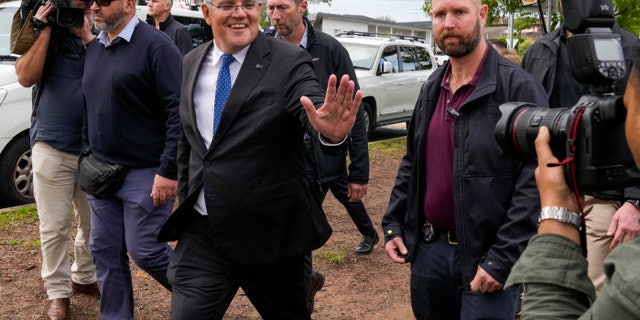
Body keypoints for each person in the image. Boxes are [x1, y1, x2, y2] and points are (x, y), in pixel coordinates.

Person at [156, 0, 362, 318]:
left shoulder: (288, 60)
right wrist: (187, 198)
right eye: (228, 5)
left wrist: (329, 130)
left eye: (249, 4)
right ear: (207, 13)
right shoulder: (191, 61)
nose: (241, 13)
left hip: (271, 238)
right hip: (204, 236)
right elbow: (189, 143)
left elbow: (309, 99)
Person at [381, 0, 548, 318]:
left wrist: (503, 258)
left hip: (487, 260)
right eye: (439, 14)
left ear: (482, 14)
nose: (448, 24)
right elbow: (413, 162)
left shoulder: (519, 88)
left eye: (459, 12)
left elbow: (537, 178)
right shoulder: (431, 87)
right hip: (429, 256)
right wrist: (394, 222)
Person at [505, 43, 640, 319]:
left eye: (626, 103)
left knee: (596, 293)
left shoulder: (628, 46)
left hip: (605, 197)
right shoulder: (541, 50)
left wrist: (634, 199)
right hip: (556, 182)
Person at [266, 0, 376, 312]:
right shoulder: (261, 48)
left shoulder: (329, 50)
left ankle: (301, 299)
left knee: (299, 234)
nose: (275, 15)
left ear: (302, 6)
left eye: (282, 7)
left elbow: (351, 113)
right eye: (270, 7)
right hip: (275, 163)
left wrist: (360, 171)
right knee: (284, 233)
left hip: (318, 162)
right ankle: (305, 283)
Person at [81, 0, 182, 318]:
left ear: (127, 4)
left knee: (146, 250)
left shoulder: (157, 47)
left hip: (146, 171)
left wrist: (169, 169)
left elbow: (178, 111)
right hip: (101, 171)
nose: (95, 6)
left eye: (104, 1)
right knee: (104, 250)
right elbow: (90, 105)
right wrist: (87, 152)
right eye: (92, 1)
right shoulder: (94, 49)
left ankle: (203, 293)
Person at [14, 1, 99, 319]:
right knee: (54, 227)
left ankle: (84, 275)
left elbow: (110, 75)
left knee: (94, 224)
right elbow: (25, 76)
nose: (82, 5)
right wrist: (46, 27)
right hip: (52, 143)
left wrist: (89, 37)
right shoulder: (41, 28)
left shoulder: (99, 28)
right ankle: (57, 293)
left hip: (94, 147)